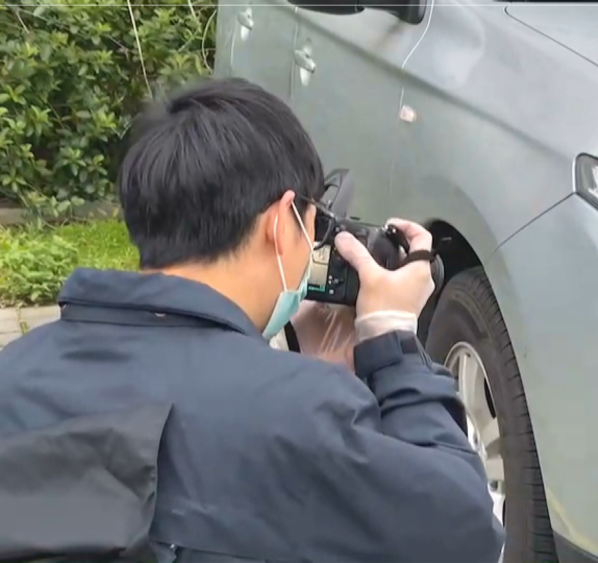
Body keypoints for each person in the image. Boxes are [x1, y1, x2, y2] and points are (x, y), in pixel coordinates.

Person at [0, 77, 505, 562]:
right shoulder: (301, 415)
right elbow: (464, 532)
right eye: (316, 225)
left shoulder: (16, 373)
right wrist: (391, 339)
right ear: (282, 221)